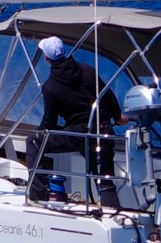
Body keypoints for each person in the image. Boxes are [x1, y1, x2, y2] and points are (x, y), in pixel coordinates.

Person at [26, 36, 122, 208]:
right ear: (64, 52)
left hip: (79, 134)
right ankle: (111, 207)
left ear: (47, 58)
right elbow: (108, 97)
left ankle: (37, 194)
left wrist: (42, 132)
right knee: (106, 177)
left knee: (34, 141)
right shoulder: (88, 70)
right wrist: (118, 116)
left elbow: (50, 121)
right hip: (103, 130)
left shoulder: (50, 86)